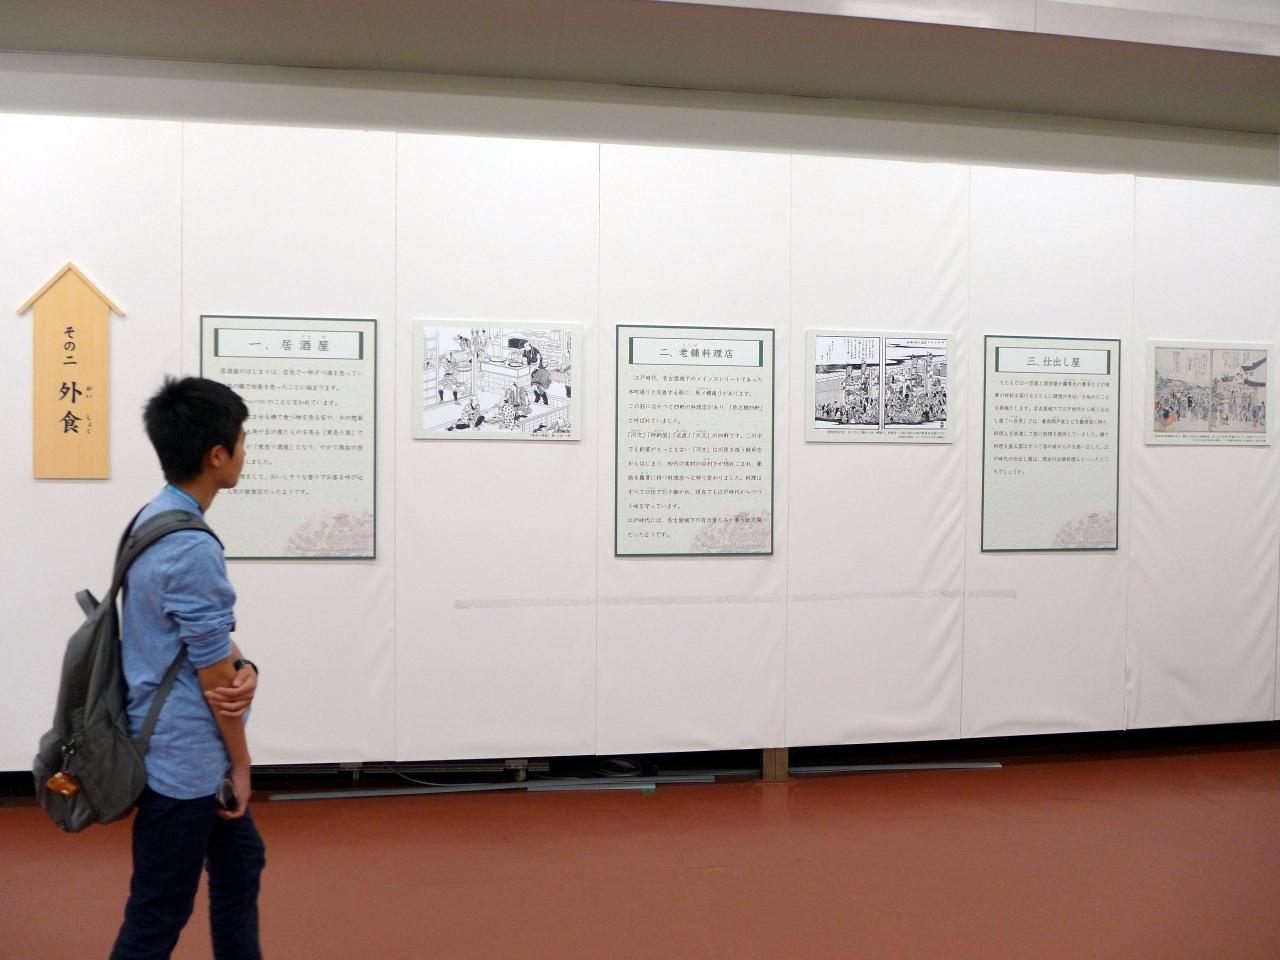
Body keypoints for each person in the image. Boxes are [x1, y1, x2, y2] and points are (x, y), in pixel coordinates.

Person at [109, 376, 264, 960]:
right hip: (184, 760)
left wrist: (244, 663)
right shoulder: (192, 545)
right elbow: (216, 682)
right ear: (216, 455)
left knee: (241, 864)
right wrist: (241, 765)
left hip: (169, 742)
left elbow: (208, 639)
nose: (245, 451)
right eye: (242, 441)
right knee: (158, 913)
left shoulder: (154, 517)